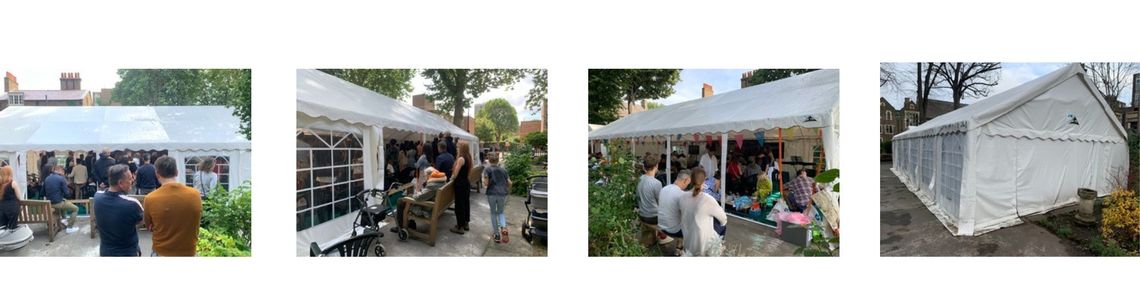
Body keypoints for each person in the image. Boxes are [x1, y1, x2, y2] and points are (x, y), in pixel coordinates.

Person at [144, 156, 203, 256]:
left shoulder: (150, 198)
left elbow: (149, 226)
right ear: (176, 172)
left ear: (157, 174)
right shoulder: (195, 194)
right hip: (189, 252)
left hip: (162, 252)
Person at [93, 164, 143, 256]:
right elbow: (142, 222)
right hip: (127, 252)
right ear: (120, 183)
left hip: (105, 251)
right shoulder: (132, 204)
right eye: (130, 179)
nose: (132, 181)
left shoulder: (97, 197)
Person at [679, 167, 728, 256]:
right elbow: (724, 219)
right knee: (722, 225)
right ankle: (717, 250)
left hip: (688, 242)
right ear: (705, 180)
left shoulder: (682, 196)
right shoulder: (707, 199)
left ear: (690, 180)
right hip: (703, 246)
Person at [482, 153, 512, 243]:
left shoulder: (487, 170)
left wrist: (484, 181)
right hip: (502, 193)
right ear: (498, 160)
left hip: (492, 193)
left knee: (493, 213)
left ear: (489, 160)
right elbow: (510, 183)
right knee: (501, 212)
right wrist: (507, 191)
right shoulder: (504, 170)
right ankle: (503, 227)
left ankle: (497, 235)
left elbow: (486, 184)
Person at [43, 165, 79, 233]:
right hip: (57, 203)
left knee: (64, 202)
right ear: (61, 170)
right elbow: (67, 193)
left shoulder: (47, 178)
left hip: (50, 203)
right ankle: (69, 228)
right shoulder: (61, 179)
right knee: (75, 208)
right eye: (63, 171)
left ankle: (64, 220)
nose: (64, 173)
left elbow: (43, 193)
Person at [657, 169, 691, 239]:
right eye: (688, 184)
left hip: (661, 225)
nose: (687, 186)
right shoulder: (681, 194)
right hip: (673, 230)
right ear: (685, 181)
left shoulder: (664, 188)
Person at [448, 140, 473, 234]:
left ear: (461, 148)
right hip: (466, 183)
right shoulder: (468, 157)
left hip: (460, 184)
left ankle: (459, 227)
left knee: (459, 205)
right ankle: (466, 223)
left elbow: (455, 173)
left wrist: (451, 178)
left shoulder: (461, 159)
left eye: (458, 146)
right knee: (466, 203)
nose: (457, 148)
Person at [636, 155, 663, 226]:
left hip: (641, 214)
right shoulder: (656, 183)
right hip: (653, 217)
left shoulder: (639, 179)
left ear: (644, 167)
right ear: (656, 166)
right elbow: (660, 202)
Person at [0, 166, 21, 231]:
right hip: (13, 210)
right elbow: (19, 197)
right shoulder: (13, 183)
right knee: (11, 229)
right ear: (9, 174)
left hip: (1, 209)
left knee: (2, 228)